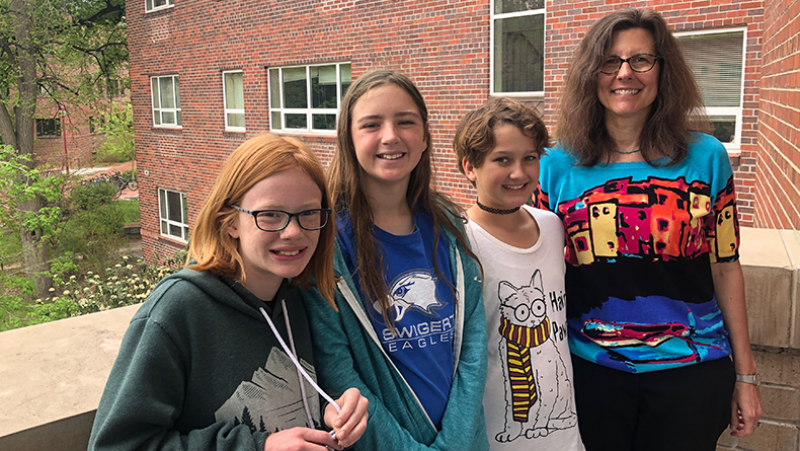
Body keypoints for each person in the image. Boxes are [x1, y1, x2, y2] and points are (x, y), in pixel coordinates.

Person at [534, 8, 763, 451]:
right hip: (589, 374)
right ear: (590, 73)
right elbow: (534, 267)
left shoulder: (707, 157)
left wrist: (746, 376)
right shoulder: (555, 164)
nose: (625, 73)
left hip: (691, 373)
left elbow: (726, 267)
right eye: (610, 60)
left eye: (642, 59)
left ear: (663, 70)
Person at [88, 134, 369, 451]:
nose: (293, 231)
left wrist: (328, 411)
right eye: (270, 214)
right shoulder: (178, 311)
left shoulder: (299, 297)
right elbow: (115, 446)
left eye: (308, 213)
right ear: (230, 222)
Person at [301, 69, 489, 451]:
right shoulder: (327, 239)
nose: (390, 135)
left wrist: (454, 442)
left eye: (405, 121)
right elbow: (336, 368)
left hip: (466, 440)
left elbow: (473, 345)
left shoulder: (448, 224)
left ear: (423, 138)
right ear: (349, 140)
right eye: (371, 125)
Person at [454, 97, 585, 451]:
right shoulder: (458, 243)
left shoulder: (553, 226)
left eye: (529, 158)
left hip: (563, 435)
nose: (519, 173)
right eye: (502, 160)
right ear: (470, 167)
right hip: (496, 436)